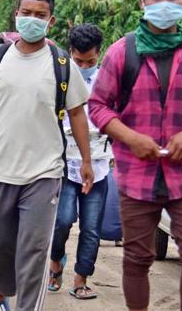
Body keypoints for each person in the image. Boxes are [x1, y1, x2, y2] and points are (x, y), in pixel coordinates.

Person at [88, 0, 182, 311]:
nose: (165, 4)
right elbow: (98, 106)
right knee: (137, 257)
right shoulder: (122, 52)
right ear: (142, 2)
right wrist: (131, 138)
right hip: (136, 174)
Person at [0, 0, 94, 311]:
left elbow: (77, 113)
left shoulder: (62, 63)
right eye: (26, 13)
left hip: (43, 172)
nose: (32, 19)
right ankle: (0, 294)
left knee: (34, 248)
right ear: (16, 14)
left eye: (40, 15)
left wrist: (86, 160)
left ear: (51, 20)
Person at [47, 23, 112, 300]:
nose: (84, 65)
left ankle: (81, 279)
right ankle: (56, 260)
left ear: (100, 54)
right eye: (78, 60)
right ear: (70, 53)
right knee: (62, 221)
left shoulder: (109, 81)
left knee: (91, 227)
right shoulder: (57, 78)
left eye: (90, 61)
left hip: (97, 164)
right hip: (64, 162)